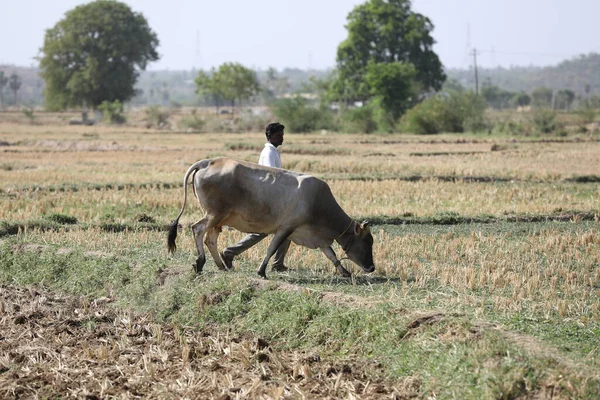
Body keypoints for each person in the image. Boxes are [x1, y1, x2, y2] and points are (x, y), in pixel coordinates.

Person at [221, 122, 291, 272]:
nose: (282, 138)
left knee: (285, 228)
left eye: (282, 135)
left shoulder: (273, 152)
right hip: (268, 199)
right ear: (270, 136)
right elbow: (269, 177)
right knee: (267, 230)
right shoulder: (269, 153)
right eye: (279, 135)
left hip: (270, 198)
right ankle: (230, 252)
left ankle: (278, 264)